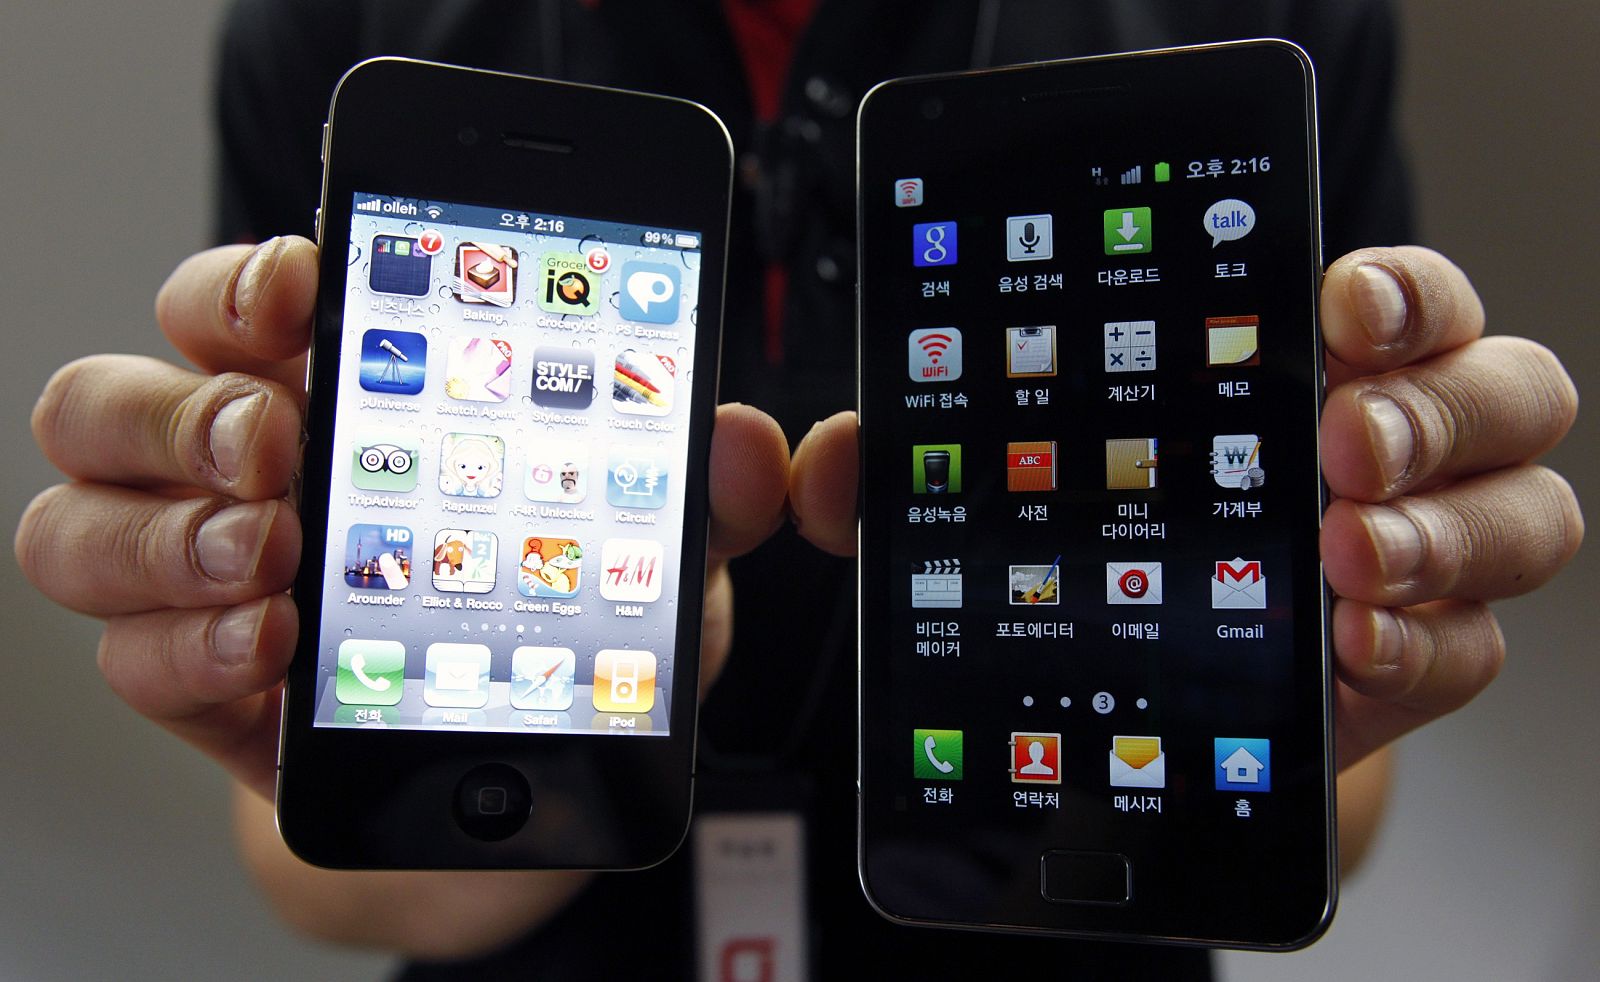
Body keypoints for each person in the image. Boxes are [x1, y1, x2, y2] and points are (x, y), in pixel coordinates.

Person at [15, 1, 1583, 978]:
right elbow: (307, 857)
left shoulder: (1280, 22)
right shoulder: (329, 31)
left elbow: (1344, 788)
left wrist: (1324, 680)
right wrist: (463, 756)